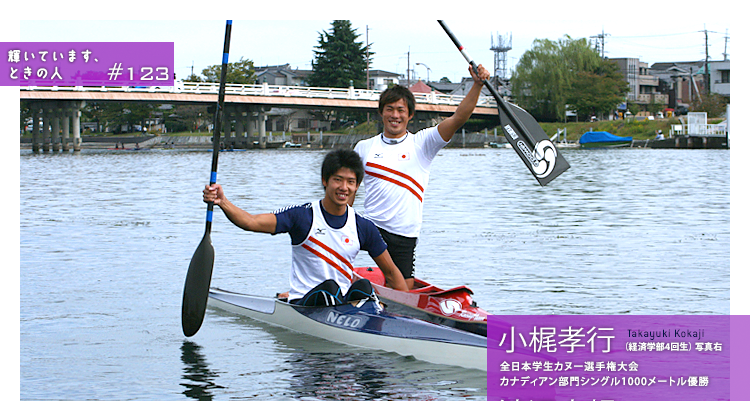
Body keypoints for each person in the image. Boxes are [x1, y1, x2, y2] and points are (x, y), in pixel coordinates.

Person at [203, 149, 409, 306]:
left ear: (356, 186)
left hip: (341, 304)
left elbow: (391, 274)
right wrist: (223, 202)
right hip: (305, 303)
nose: (344, 187)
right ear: (325, 181)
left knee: (363, 286)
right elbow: (251, 222)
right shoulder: (302, 217)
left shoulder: (363, 227)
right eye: (338, 180)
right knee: (330, 289)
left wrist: (408, 313)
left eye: (350, 182)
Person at [352, 65, 491, 289]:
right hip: (369, 228)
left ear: (410, 114)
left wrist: (477, 85)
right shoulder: (364, 147)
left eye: (400, 110)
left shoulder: (423, 143)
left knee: (403, 292)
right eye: (389, 109)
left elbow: (458, 118)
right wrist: (338, 226)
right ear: (381, 112)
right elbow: (348, 189)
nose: (395, 115)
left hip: (403, 234)